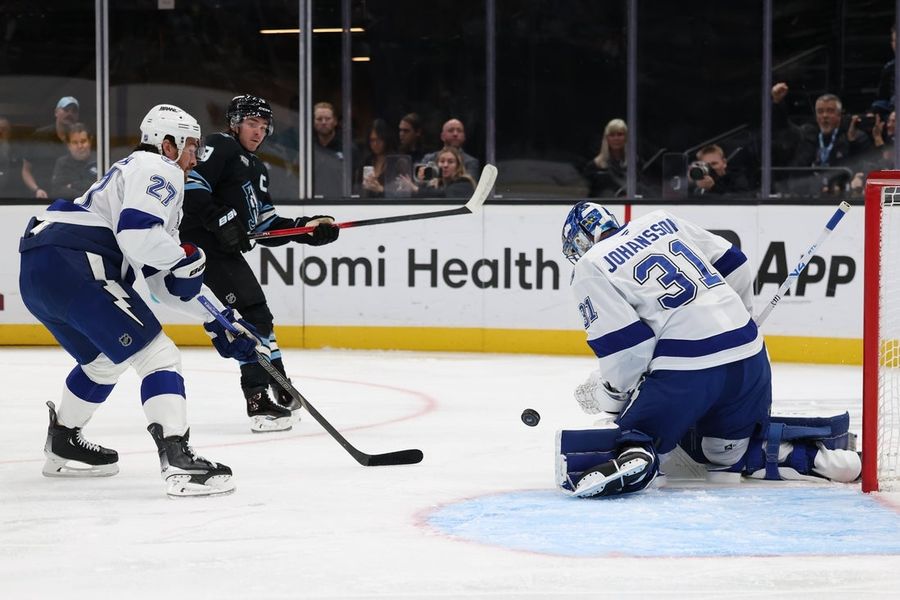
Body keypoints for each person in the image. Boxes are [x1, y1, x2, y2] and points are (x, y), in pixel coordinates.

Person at [18, 104, 262, 498]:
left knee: (102, 362)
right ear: (168, 144)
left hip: (42, 269)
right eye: (191, 147)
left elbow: (162, 282)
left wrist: (220, 317)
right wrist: (187, 256)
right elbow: (139, 237)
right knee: (159, 356)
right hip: (77, 262)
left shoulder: (134, 174)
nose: (195, 158)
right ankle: (180, 461)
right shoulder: (159, 169)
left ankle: (62, 442)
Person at [555, 201, 861, 498]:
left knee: (629, 435)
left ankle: (638, 452)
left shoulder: (590, 265)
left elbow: (629, 349)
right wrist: (735, 318)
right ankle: (824, 460)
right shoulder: (659, 221)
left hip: (688, 373)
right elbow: (735, 263)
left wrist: (611, 397)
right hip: (750, 359)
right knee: (724, 454)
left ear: (580, 241)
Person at [182, 94, 340, 433]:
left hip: (222, 251)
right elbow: (191, 185)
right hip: (198, 245)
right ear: (235, 123)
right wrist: (219, 218)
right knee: (252, 314)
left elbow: (265, 225)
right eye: (253, 124)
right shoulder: (219, 146)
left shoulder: (256, 168)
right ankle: (259, 399)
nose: (259, 132)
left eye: (264, 126)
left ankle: (277, 384)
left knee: (257, 314)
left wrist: (307, 229)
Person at [771, 82, 871, 195]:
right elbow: (785, 127)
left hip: (839, 197)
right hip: (806, 195)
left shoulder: (854, 136)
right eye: (820, 111)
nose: (824, 116)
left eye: (830, 111)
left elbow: (863, 165)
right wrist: (777, 103)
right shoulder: (808, 134)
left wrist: (853, 142)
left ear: (839, 115)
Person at [22, 96, 81, 199]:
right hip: (39, 198)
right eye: (66, 110)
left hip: (69, 200)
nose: (70, 114)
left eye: (74, 111)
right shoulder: (39, 136)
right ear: (56, 112)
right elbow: (26, 170)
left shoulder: (80, 141)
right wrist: (36, 190)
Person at [396, 146, 476, 198]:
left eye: (450, 162)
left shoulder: (465, 182)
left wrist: (415, 188)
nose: (445, 165)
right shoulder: (437, 185)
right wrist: (420, 184)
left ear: (458, 166)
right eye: (442, 161)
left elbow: (443, 194)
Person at [582, 118, 630, 198]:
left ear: (626, 138)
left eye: (620, 134)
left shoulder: (635, 164)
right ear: (606, 138)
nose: (616, 138)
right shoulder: (593, 166)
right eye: (612, 135)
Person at [49, 122, 98, 199]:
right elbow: (56, 191)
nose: (80, 146)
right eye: (75, 142)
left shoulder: (100, 160)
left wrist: (73, 185)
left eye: (83, 141)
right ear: (68, 145)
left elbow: (102, 190)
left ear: (90, 141)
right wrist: (85, 194)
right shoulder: (62, 163)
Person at [312, 101, 344, 197]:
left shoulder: (347, 148)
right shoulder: (307, 149)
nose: (323, 122)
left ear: (335, 121)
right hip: (312, 202)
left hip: (342, 203)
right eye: (319, 119)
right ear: (313, 122)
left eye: (327, 119)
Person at [359, 118, 395, 198]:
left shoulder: (395, 162)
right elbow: (356, 187)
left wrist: (381, 189)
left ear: (386, 139)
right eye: (372, 140)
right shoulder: (367, 160)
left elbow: (401, 193)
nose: (375, 144)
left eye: (379, 140)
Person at [0, 116, 28, 198]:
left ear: (9, 131)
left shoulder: (19, 148)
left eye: (4, 129)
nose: (0, 131)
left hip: (16, 193)